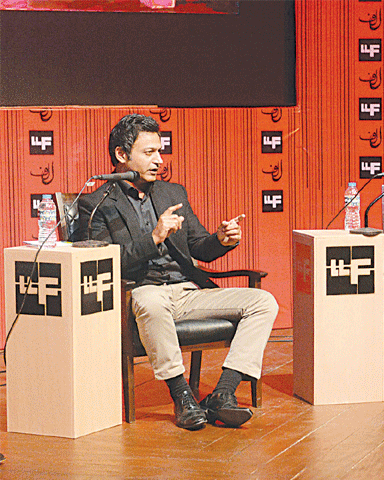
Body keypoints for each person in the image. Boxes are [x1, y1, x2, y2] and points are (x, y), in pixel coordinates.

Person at [76, 114, 279, 430]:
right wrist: (154, 238)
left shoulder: (173, 193)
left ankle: (222, 395)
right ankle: (183, 396)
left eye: (160, 151)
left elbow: (198, 246)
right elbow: (102, 262)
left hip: (186, 292)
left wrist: (221, 240)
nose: (159, 160)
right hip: (140, 291)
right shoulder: (97, 203)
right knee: (151, 303)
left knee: (263, 301)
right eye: (149, 152)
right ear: (121, 155)